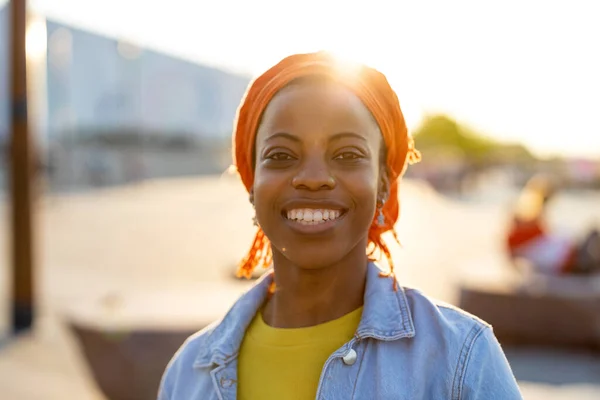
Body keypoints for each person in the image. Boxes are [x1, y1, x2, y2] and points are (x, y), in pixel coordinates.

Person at [159, 51, 522, 399]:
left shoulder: (461, 359)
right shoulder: (188, 373)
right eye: (281, 156)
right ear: (252, 182)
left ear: (383, 183)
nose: (314, 178)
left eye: (347, 155)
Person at [506, 174, 600, 275]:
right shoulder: (527, 219)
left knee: (592, 238)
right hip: (566, 259)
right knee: (593, 235)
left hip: (565, 256)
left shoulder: (527, 219)